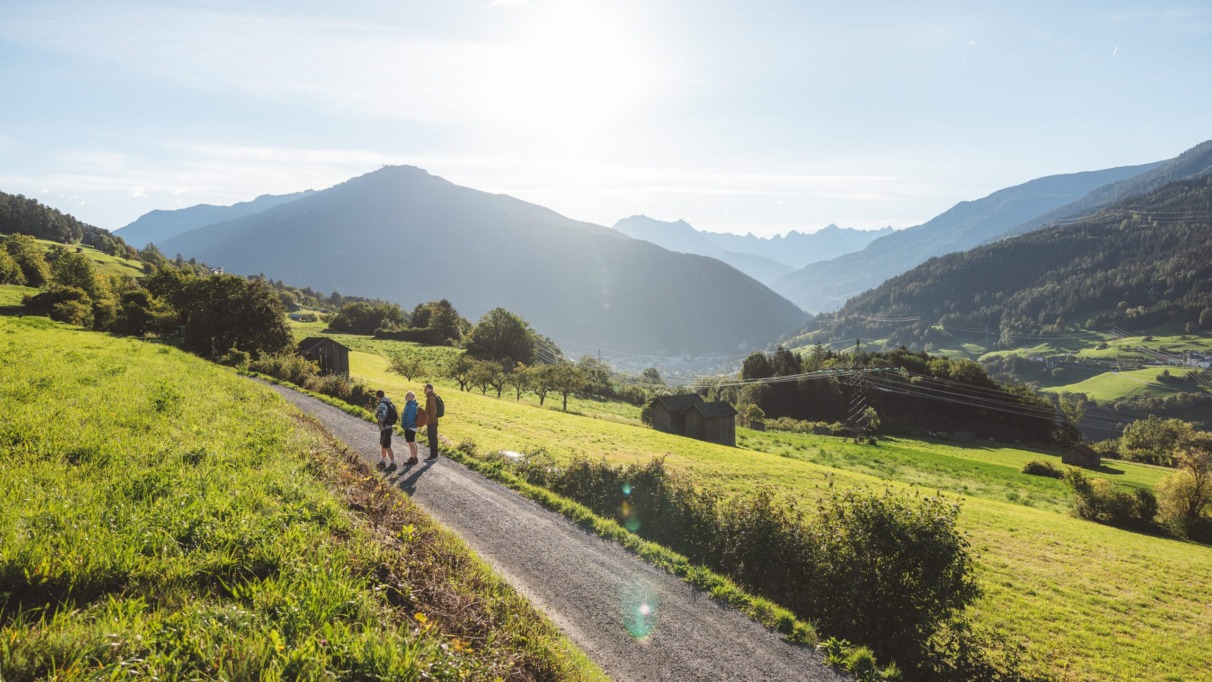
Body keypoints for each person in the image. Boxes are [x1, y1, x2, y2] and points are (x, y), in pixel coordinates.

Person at [374, 390, 397, 471]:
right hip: (386, 428)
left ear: (377, 396)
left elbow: (382, 416)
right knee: (383, 444)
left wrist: (377, 415)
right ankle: (383, 461)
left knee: (387, 445)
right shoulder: (388, 402)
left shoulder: (382, 404)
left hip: (386, 428)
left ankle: (393, 463)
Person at [401, 390, 420, 465]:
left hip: (410, 427)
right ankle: (414, 457)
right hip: (412, 426)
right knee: (412, 442)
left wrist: (406, 426)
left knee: (411, 443)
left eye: (407, 395)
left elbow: (410, 418)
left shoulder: (411, 406)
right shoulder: (411, 405)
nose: (406, 396)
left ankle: (413, 459)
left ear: (410, 397)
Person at [423, 382, 440, 460]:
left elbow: (434, 410)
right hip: (433, 421)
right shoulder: (431, 397)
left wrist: (429, 419)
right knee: (433, 438)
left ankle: (433, 456)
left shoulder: (431, 397)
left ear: (430, 389)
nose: (424, 389)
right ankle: (434, 455)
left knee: (432, 438)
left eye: (426, 388)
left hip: (432, 421)